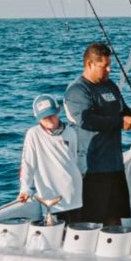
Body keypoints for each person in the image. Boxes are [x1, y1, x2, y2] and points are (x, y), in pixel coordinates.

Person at [64, 42, 131, 226]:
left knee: (114, 217)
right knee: (90, 221)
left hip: (114, 164)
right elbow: (87, 121)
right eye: (104, 66)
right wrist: (120, 122)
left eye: (110, 65)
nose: (109, 70)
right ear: (89, 64)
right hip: (92, 167)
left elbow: (122, 110)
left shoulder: (110, 86)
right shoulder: (78, 91)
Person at [18, 94, 83, 222]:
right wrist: (25, 189)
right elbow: (27, 164)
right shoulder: (33, 134)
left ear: (58, 112)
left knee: (74, 232)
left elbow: (74, 159)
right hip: (50, 198)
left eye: (51, 115)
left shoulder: (71, 132)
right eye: (44, 117)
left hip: (74, 194)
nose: (49, 120)